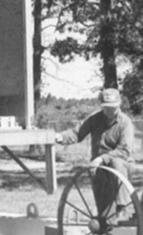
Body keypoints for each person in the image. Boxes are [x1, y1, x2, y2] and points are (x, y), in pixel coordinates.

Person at [54, 88, 135, 219]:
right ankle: (106, 220)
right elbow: (77, 133)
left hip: (123, 166)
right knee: (105, 217)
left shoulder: (125, 123)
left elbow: (124, 151)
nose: (110, 111)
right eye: (106, 107)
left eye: (113, 107)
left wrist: (101, 159)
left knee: (116, 162)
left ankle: (122, 207)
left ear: (119, 105)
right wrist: (60, 137)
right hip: (100, 168)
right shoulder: (94, 119)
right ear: (101, 106)